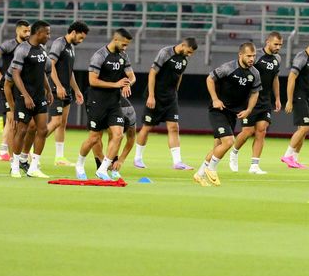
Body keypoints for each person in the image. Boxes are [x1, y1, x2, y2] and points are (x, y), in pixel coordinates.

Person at [194, 42, 261, 187]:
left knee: (219, 145)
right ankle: (211, 169)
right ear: (241, 55)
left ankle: (199, 174)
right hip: (218, 110)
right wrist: (215, 99)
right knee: (229, 142)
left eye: (254, 56)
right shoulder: (228, 68)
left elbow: (255, 93)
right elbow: (210, 79)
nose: (252, 59)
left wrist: (249, 110)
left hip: (232, 113)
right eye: (249, 56)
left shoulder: (254, 73)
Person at [73, 29, 136, 181]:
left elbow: (132, 76)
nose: (125, 48)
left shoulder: (123, 56)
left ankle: (102, 169)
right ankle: (79, 165)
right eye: (124, 44)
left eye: (127, 45)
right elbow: (92, 81)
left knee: (118, 134)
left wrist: (128, 84)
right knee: (94, 138)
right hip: (97, 101)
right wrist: (116, 84)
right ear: (115, 40)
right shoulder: (99, 55)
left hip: (114, 102)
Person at [133, 38, 198, 170]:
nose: (189, 54)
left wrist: (175, 93)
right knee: (147, 127)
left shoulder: (184, 59)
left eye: (191, 53)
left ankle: (177, 162)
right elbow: (152, 73)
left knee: (174, 127)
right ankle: (137, 158)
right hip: (156, 96)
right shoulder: (165, 53)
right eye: (189, 51)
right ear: (183, 45)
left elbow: (179, 76)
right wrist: (151, 96)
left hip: (170, 98)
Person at [229, 32, 283, 175]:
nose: (278, 47)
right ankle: (234, 152)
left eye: (280, 45)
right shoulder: (256, 55)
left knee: (261, 130)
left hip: (265, 100)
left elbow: (275, 78)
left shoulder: (277, 58)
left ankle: (254, 166)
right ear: (268, 42)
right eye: (276, 44)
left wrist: (277, 97)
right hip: (250, 99)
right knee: (247, 131)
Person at [8, 20, 53, 178]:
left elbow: (42, 72)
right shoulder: (22, 49)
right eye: (47, 33)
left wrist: (48, 90)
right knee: (22, 130)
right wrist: (26, 95)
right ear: (38, 33)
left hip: (39, 95)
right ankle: (14, 165)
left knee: (43, 129)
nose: (49, 36)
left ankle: (33, 166)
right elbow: (15, 74)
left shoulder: (42, 49)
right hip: (24, 96)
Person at [45, 21, 89, 166]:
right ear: (74, 32)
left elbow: (70, 72)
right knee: (56, 121)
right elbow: (51, 65)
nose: (81, 41)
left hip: (66, 90)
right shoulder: (59, 43)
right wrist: (58, 86)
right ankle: (31, 150)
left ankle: (59, 158)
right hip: (55, 89)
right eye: (80, 38)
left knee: (62, 124)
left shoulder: (71, 48)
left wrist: (77, 90)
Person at [0, 20, 30, 161]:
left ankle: (7, 150)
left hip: (22, 88)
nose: (28, 33)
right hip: (8, 87)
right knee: (12, 121)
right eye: (25, 31)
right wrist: (0, 75)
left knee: (21, 122)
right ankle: (12, 157)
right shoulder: (9, 45)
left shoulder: (29, 46)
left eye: (29, 31)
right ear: (17, 31)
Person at [280, 36, 309, 169]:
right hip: (299, 96)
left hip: (307, 96)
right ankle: (287, 155)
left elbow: (307, 79)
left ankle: (294, 160)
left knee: (303, 130)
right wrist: (289, 100)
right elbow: (291, 77)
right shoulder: (301, 57)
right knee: (306, 127)